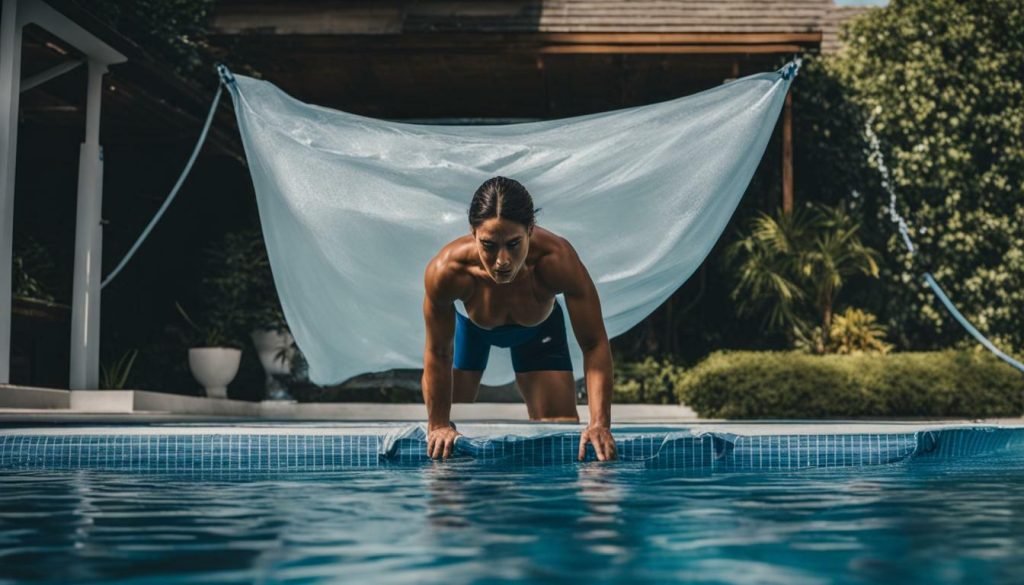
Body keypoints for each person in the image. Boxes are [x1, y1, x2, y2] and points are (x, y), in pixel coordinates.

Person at [421, 176, 617, 462]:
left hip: (539, 332)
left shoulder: (557, 260)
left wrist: (599, 423)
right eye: (489, 245)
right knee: (447, 443)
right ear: (473, 233)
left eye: (513, 244)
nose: (502, 261)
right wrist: (438, 424)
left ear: (530, 230)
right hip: (472, 331)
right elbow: (438, 352)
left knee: (558, 433)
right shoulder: (448, 271)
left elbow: (594, 343)